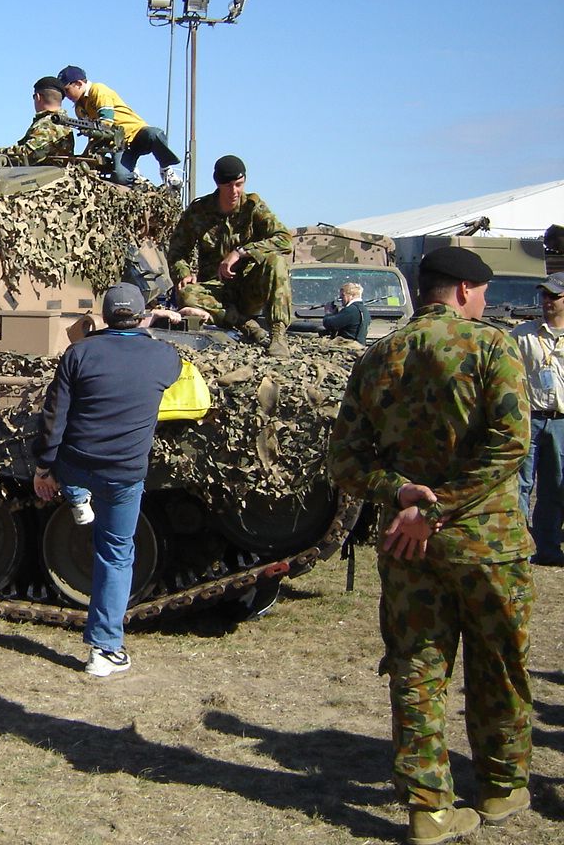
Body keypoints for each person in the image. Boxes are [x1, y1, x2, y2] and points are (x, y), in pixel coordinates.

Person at [327, 245, 533, 844]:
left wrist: (404, 497)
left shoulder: (377, 357)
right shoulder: (493, 346)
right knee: (499, 661)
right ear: (466, 291)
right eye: (483, 293)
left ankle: (429, 809)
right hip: (486, 542)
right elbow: (511, 443)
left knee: (416, 667)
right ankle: (500, 787)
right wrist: (437, 507)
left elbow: (344, 462)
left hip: (408, 547)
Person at [31, 283, 181, 677]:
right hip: (123, 473)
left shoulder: (79, 353)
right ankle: (104, 649)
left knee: (73, 471)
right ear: (142, 316)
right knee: (115, 554)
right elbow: (171, 372)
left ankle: (77, 495)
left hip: (78, 463)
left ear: (103, 315)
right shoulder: (163, 357)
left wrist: (44, 467)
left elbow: (55, 416)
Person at [166, 155, 294, 357]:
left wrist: (241, 252)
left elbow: (284, 240)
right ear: (217, 183)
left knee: (276, 261)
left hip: (248, 286)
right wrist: (183, 272)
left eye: (239, 184)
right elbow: (177, 249)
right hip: (215, 292)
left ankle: (278, 336)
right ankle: (246, 325)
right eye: (228, 186)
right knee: (186, 294)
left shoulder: (253, 207)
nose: (234, 191)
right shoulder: (199, 211)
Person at [511, 271, 564, 565]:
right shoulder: (523, 335)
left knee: (554, 486)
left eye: (554, 296)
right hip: (528, 418)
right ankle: (519, 547)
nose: (547, 301)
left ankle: (548, 547)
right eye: (544, 295)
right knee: (521, 484)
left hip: (560, 421)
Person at [56, 65, 181, 188]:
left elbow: (105, 123)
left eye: (67, 90)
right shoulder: (80, 108)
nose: (67, 96)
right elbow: (95, 135)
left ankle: (165, 168)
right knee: (121, 177)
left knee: (155, 135)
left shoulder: (98, 90)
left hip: (136, 133)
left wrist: (95, 130)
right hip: (120, 144)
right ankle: (136, 177)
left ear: (78, 83)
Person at [0, 76, 75, 167]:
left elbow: (29, 154)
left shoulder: (48, 123)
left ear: (38, 97)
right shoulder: (65, 122)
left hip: (43, 178)